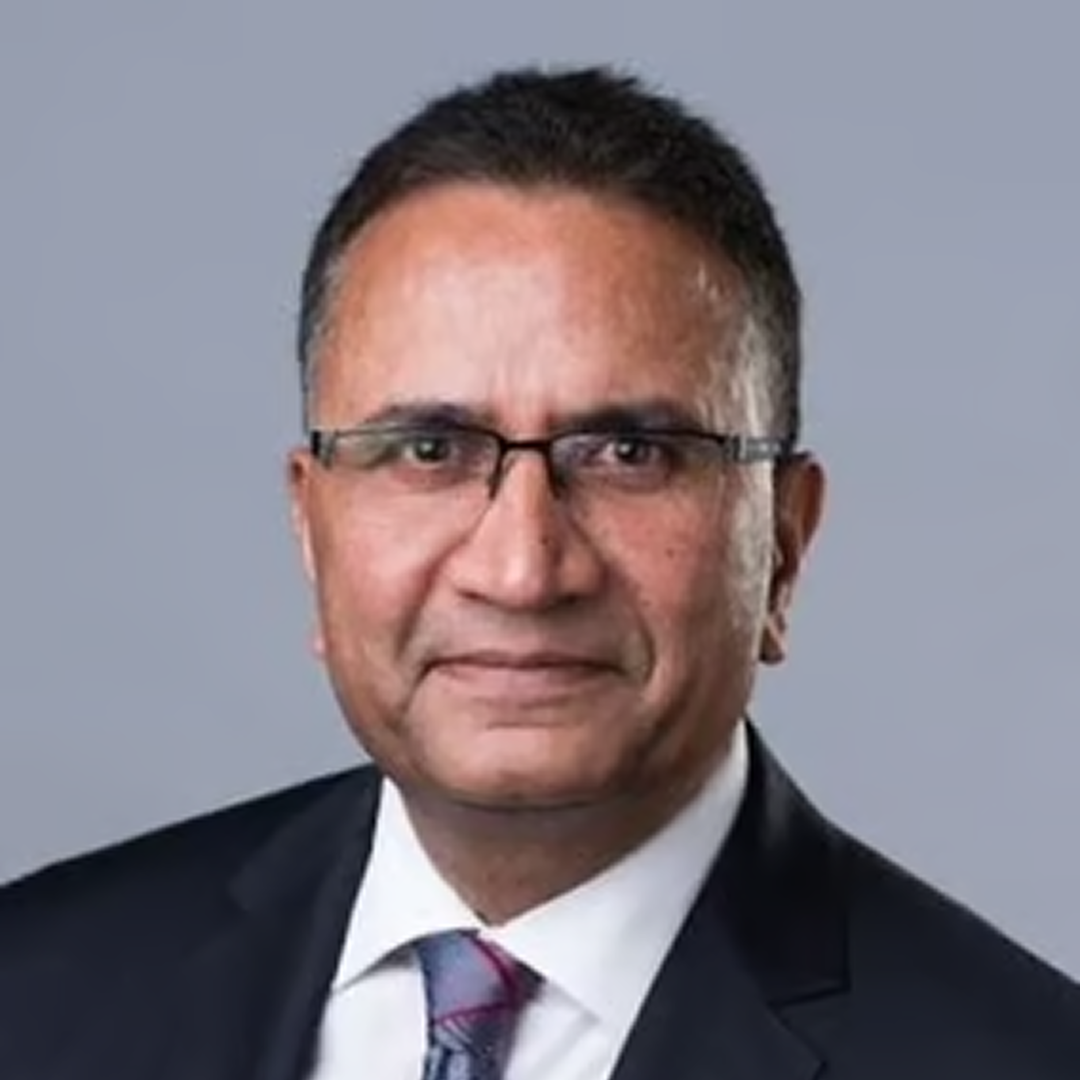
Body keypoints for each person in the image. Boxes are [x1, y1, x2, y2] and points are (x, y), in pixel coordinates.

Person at [1, 64, 1077, 1080]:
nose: (522, 571)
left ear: (784, 548)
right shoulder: (37, 988)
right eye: (429, 451)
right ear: (309, 527)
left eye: (629, 454)